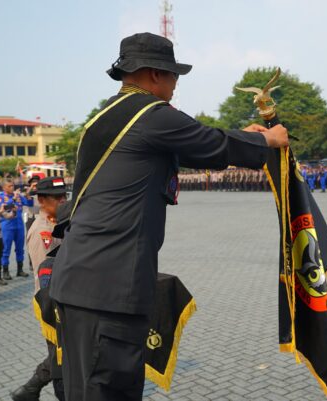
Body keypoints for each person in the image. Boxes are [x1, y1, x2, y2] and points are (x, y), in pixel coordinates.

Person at [49, 32, 289, 401]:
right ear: (154, 74)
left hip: (83, 281)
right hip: (109, 289)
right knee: (108, 391)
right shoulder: (151, 114)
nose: (177, 84)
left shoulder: (106, 118)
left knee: (85, 390)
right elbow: (211, 143)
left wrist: (243, 135)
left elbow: (195, 146)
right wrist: (267, 141)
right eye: (174, 75)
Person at [11, 177, 67, 401]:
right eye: (58, 197)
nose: (63, 200)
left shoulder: (60, 222)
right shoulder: (42, 231)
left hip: (66, 296)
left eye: (65, 196)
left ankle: (29, 389)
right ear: (42, 200)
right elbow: (48, 276)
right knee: (60, 357)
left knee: (62, 353)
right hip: (52, 301)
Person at [0, 179, 34, 279]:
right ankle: (6, 271)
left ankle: (20, 270)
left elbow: (29, 203)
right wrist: (14, 200)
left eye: (13, 185)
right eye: (9, 186)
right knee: (6, 249)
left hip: (19, 225)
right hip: (7, 226)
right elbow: (4, 208)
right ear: (4, 187)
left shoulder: (18, 196)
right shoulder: (0, 197)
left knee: (20, 248)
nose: (12, 188)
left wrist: (28, 195)